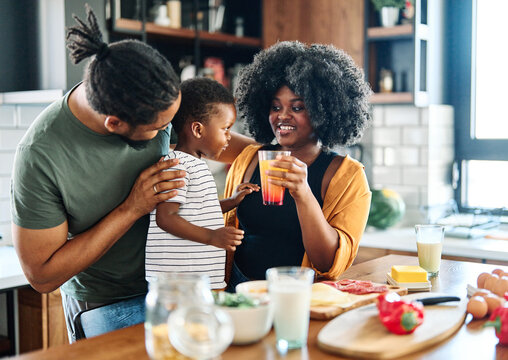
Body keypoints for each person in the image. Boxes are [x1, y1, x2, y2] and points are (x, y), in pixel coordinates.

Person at [10, 5, 254, 342]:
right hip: (107, 304)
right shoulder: (41, 155)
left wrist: (280, 156)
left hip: (177, 289)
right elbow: (42, 277)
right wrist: (132, 207)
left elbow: (222, 141)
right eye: (159, 128)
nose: (168, 131)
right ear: (115, 123)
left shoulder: (154, 100)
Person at [223, 41, 373, 290]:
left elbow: (326, 262)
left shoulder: (347, 176)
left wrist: (303, 193)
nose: (282, 115)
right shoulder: (250, 157)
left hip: (299, 294)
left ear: (323, 110)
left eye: (297, 107)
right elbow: (198, 136)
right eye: (275, 106)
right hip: (239, 290)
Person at [145, 78, 259, 289]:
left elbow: (196, 209)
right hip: (179, 284)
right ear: (197, 130)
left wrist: (231, 202)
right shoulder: (177, 166)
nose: (228, 138)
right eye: (225, 129)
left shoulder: (194, 165)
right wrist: (212, 236)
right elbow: (165, 217)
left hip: (196, 282)